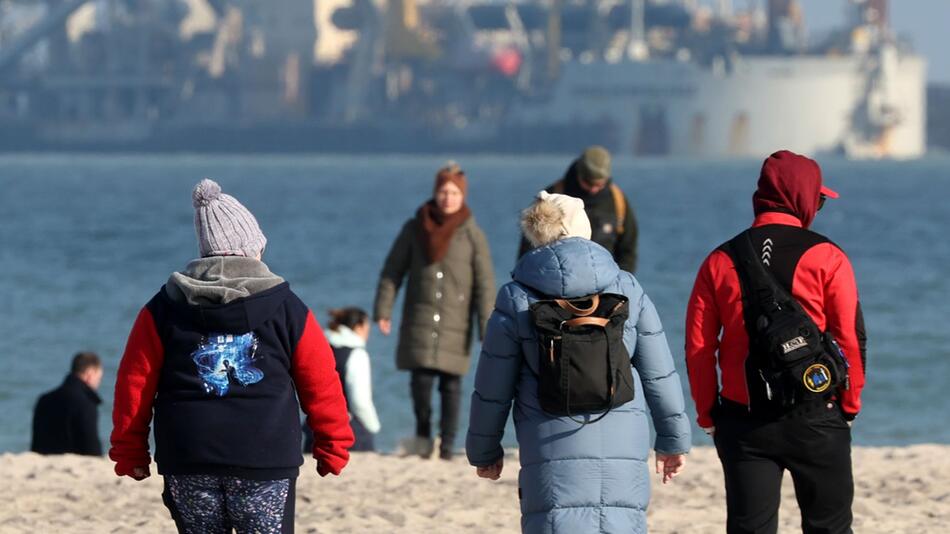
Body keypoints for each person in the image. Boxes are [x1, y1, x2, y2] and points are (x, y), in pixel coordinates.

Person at [109, 179, 354, 534]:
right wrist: (333, 443)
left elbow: (135, 382)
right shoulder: (287, 307)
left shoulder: (164, 307)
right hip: (265, 456)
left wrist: (130, 451)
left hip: (188, 456)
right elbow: (320, 380)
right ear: (251, 250)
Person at [467, 191, 691, 533]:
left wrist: (484, 450)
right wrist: (673, 440)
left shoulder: (516, 298)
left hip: (551, 448)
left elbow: (492, 386)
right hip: (621, 447)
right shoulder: (628, 288)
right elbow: (659, 373)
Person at [685, 150, 867, 534]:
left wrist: (707, 414)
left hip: (743, 420)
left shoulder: (719, 260)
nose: (817, 208)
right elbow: (850, 336)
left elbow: (699, 347)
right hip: (817, 412)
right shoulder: (827, 256)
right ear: (801, 197)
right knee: (830, 528)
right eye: (818, 199)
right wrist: (849, 405)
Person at [373, 162, 495, 460]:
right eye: (443, 191)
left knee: (451, 386)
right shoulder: (415, 228)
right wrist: (383, 309)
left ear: (462, 196)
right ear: (435, 193)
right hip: (420, 319)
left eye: (453, 192)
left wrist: (487, 326)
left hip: (457, 322)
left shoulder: (472, 235)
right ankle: (424, 435)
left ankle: (448, 444)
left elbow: (485, 283)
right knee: (421, 383)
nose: (447, 198)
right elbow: (393, 271)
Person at [517, 146, 639, 273]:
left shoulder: (618, 201)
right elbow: (529, 245)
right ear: (579, 174)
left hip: (604, 283)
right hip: (554, 280)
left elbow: (628, 250)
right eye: (588, 182)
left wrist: (618, 286)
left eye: (599, 184)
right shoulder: (552, 197)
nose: (593, 189)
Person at [303, 307, 381, 452]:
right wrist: (373, 427)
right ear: (358, 327)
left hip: (315, 428)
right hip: (346, 431)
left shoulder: (321, 348)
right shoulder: (356, 354)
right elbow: (359, 401)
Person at [31, 351, 104, 456]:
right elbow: (92, 447)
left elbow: (36, 445)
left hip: (44, 460)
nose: (98, 383)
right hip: (75, 460)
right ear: (90, 374)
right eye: (99, 378)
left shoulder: (44, 399)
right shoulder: (86, 403)